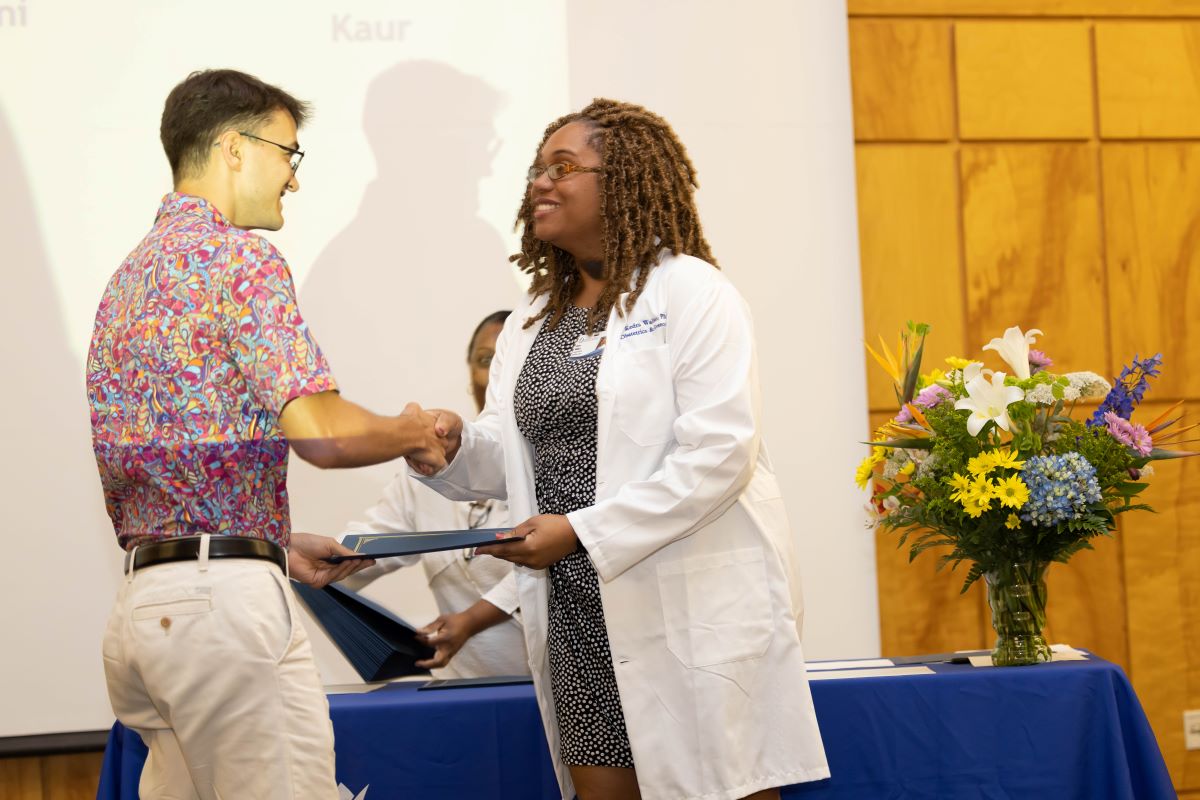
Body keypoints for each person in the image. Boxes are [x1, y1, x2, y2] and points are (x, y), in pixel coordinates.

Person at [415, 99, 829, 800]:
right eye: (537, 169)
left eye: (564, 167)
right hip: (577, 618)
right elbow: (513, 458)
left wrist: (580, 530)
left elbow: (720, 455)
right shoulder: (530, 320)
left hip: (689, 609)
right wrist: (453, 449)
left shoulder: (692, 292)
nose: (540, 183)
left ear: (625, 182)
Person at [87, 69, 450, 800]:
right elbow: (320, 432)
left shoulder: (125, 281)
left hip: (144, 618)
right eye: (288, 153)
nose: (293, 179)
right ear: (232, 148)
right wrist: (410, 431)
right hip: (220, 616)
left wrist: (273, 546)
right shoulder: (239, 261)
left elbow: (167, 466)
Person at [337, 310, 529, 678]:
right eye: (484, 360)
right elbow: (364, 548)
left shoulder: (555, 462)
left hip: (549, 687)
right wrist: (288, 562)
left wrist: (471, 620)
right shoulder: (424, 474)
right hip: (465, 692)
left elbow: (555, 561)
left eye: (504, 362)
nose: (493, 374)